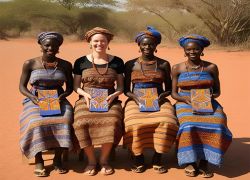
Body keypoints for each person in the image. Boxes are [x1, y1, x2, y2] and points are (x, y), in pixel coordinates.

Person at [171, 34, 232, 178]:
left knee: (217, 123)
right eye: (189, 49)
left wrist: (208, 98)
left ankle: (205, 161)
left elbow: (217, 91)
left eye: (196, 49)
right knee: (188, 124)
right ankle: (190, 161)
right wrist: (186, 101)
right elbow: (174, 93)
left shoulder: (211, 67)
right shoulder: (177, 68)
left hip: (207, 102)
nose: (192, 52)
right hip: (184, 101)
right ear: (184, 51)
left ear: (202, 50)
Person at [123, 26, 178, 174]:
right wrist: (136, 98)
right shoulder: (130, 64)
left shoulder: (164, 64)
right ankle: (138, 156)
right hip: (135, 99)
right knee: (132, 122)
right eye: (144, 44)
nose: (147, 47)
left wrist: (161, 97)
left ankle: (158, 156)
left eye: (151, 44)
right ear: (139, 46)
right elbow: (126, 90)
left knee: (168, 121)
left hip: (159, 99)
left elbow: (168, 88)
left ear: (156, 46)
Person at [19, 32, 74, 177]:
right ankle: (38, 159)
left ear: (58, 47)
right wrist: (32, 97)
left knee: (66, 120)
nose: (50, 48)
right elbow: (22, 87)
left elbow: (69, 87)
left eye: (54, 46)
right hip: (36, 98)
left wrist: (63, 95)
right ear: (41, 46)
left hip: (58, 98)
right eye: (47, 45)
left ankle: (57, 159)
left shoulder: (66, 65)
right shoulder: (30, 63)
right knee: (35, 122)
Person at [72, 27, 124, 176]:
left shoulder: (117, 62)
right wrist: (85, 95)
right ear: (90, 42)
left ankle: (104, 160)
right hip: (86, 99)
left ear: (108, 43)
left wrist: (113, 96)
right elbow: (76, 86)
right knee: (81, 122)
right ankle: (91, 161)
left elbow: (120, 87)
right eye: (96, 41)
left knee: (113, 121)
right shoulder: (80, 62)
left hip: (110, 99)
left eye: (103, 41)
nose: (99, 43)